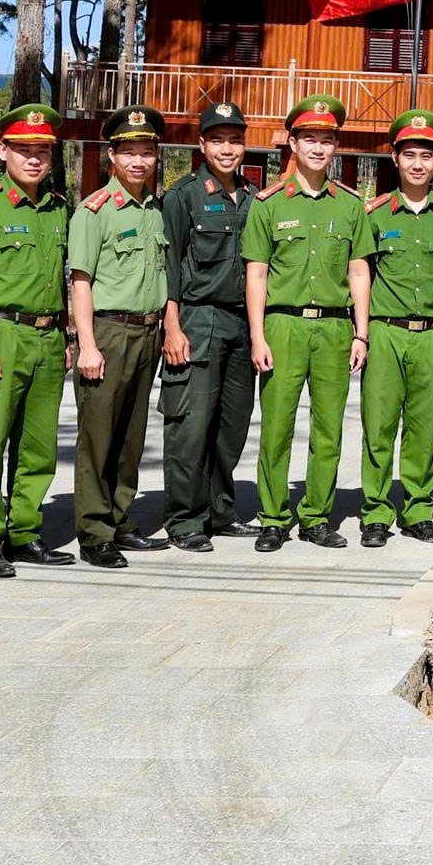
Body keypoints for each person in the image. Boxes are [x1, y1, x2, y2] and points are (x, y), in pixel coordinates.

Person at [243, 95, 370, 550]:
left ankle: (317, 515)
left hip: (335, 329)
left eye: (327, 140)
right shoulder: (269, 204)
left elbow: (358, 271)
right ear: (292, 143)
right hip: (284, 326)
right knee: (276, 426)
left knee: (328, 427)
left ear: (336, 147)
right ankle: (273, 518)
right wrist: (257, 335)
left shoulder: (351, 205)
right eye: (310, 139)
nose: (318, 148)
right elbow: (256, 273)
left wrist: (362, 332)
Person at [0, 104, 72, 579]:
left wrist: (66, 336)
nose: (34, 159)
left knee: (38, 446)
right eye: (24, 149)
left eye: (42, 151)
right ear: (3, 150)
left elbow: (62, 279)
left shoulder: (59, 207)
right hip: (1, 333)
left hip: (48, 337)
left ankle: (24, 531)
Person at [358, 110, 433, 546]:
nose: (418, 164)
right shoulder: (374, 214)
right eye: (410, 155)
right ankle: (375, 512)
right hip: (386, 332)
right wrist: (362, 333)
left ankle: (419, 510)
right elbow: (361, 275)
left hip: (431, 334)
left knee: (424, 425)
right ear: (395, 158)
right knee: (380, 424)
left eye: (427, 155)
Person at [68, 106, 172, 569]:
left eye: (146, 151)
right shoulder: (95, 211)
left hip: (147, 333)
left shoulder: (155, 210)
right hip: (108, 333)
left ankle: (121, 517)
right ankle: (94, 532)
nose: (138, 160)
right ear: (112, 154)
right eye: (128, 151)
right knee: (99, 437)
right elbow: (81, 281)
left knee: (132, 434)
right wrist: (86, 343)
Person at [158, 100, 256, 552]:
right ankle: (185, 520)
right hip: (198, 319)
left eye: (234, 141)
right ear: (202, 145)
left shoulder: (256, 198)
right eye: (218, 140)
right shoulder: (182, 197)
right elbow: (170, 266)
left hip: (242, 323)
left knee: (231, 425)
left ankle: (220, 510)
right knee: (190, 425)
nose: (227, 149)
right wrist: (172, 326)